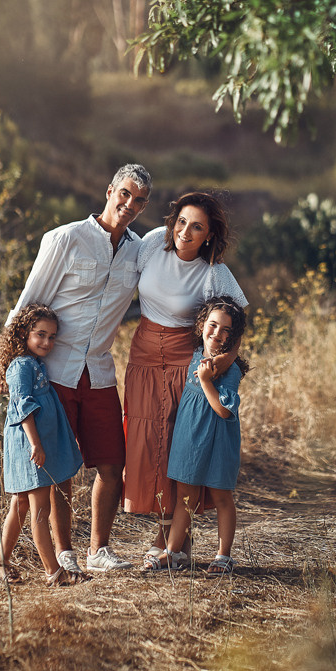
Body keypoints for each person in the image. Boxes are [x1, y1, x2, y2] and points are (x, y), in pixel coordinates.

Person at [6, 164, 152, 573]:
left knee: (111, 462)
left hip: (100, 370)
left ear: (143, 207)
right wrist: (8, 370)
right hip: (53, 371)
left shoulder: (138, 252)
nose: (129, 204)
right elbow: (25, 307)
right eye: (124, 193)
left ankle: (98, 551)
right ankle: (65, 552)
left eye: (139, 200)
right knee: (59, 465)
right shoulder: (66, 239)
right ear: (109, 191)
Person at [123, 192, 248, 565]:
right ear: (171, 222)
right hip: (144, 353)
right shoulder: (149, 246)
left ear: (209, 235)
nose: (185, 232)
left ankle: (172, 539)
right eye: (181, 222)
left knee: (178, 441)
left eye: (197, 227)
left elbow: (237, 323)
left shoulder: (215, 273)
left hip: (184, 358)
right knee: (146, 439)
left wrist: (220, 366)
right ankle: (170, 531)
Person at [144, 296, 249, 576]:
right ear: (201, 325)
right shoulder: (194, 357)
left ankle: (224, 556)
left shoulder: (230, 370)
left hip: (218, 440)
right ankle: (173, 552)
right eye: (212, 325)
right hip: (190, 435)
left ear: (233, 337)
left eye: (226, 329)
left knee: (222, 496)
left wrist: (205, 381)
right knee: (184, 497)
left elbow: (224, 411)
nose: (217, 333)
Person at [0, 303, 86, 586]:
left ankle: (0, 563)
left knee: (20, 505)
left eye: (52, 336)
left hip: (33, 443)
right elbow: (22, 408)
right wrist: (36, 445)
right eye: (40, 334)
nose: (47, 342)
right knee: (39, 509)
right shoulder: (21, 366)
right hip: (28, 444)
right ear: (23, 333)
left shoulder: (33, 363)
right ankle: (54, 572)